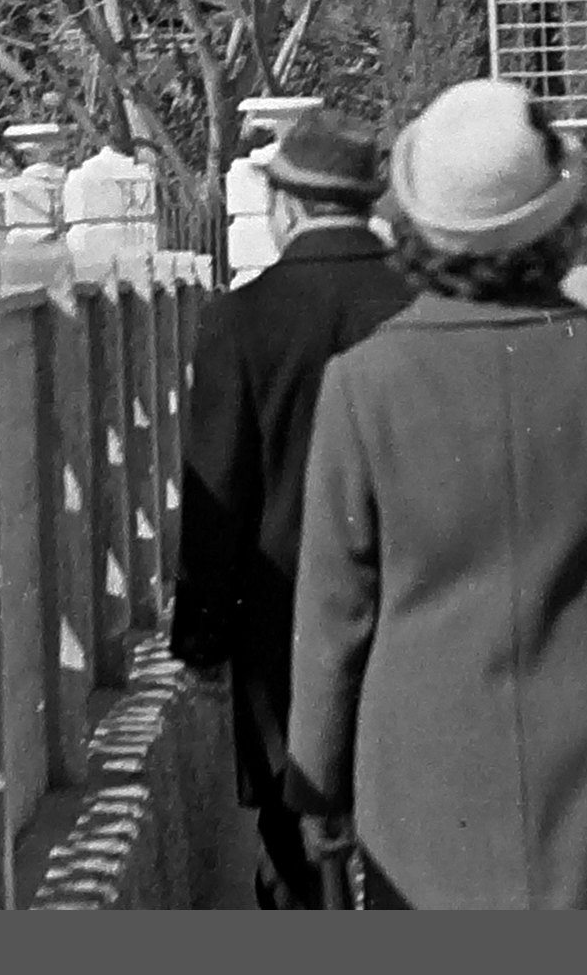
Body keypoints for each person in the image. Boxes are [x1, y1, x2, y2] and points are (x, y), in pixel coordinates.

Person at [286, 79, 587, 907]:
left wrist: (317, 780)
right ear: (559, 221)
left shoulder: (362, 386)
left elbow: (335, 607)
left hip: (426, 751)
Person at [170, 108, 416, 906]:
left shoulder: (239, 320)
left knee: (291, 835)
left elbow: (219, 492)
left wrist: (203, 638)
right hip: (417, 606)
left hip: (281, 621)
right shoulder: (427, 309)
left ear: (286, 206)